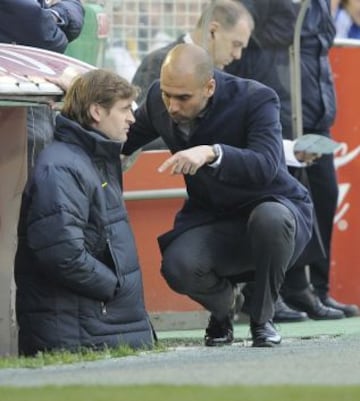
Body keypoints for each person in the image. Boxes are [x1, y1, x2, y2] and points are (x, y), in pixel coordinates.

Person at [122, 43, 314, 347]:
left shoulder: (257, 98)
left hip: (276, 210)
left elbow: (266, 165)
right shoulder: (163, 98)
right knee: (178, 267)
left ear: (209, 87)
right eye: (167, 95)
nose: (172, 106)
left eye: (183, 98)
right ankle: (224, 309)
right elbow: (124, 137)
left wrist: (213, 153)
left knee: (270, 219)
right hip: (211, 217)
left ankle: (262, 320)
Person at [227, 0, 359, 321]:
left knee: (324, 198)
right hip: (278, 116)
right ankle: (277, 291)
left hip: (314, 117)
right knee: (286, 205)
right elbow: (243, 45)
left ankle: (315, 290)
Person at [14, 69, 155, 356]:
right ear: (96, 112)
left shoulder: (92, 160)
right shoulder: (62, 167)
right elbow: (62, 254)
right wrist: (114, 287)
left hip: (95, 327)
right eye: (125, 109)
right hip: (78, 335)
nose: (132, 118)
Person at [0, 0, 85, 172]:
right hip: (19, 103)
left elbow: (73, 6)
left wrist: (54, 15)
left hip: (30, 103)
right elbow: (44, 36)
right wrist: (52, 16)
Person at [132, 0, 254, 105]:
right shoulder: (158, 62)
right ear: (212, 30)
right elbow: (142, 123)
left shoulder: (221, 75)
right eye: (236, 44)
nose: (237, 55)